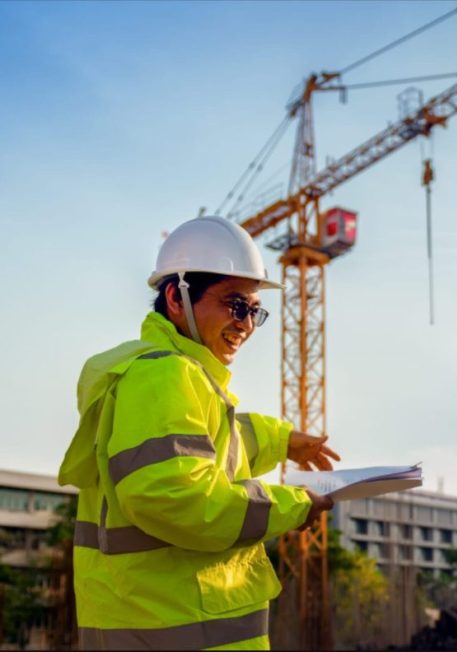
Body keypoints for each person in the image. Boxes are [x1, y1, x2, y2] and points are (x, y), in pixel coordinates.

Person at [59, 215, 339, 650]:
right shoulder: (164, 375)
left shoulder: (182, 375)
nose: (246, 324)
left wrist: (280, 440)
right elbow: (176, 496)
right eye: (235, 304)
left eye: (253, 310)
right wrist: (292, 505)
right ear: (176, 297)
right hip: (172, 628)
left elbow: (209, 444)